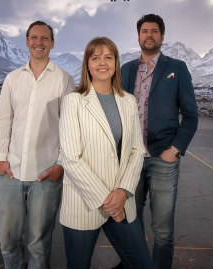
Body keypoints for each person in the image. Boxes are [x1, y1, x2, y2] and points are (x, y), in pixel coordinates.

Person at [59, 37, 152, 269]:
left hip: (122, 201)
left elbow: (136, 150)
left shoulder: (128, 101)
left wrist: (123, 192)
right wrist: (108, 202)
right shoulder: (73, 101)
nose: (103, 62)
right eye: (96, 57)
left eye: (108, 57)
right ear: (87, 64)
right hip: (83, 204)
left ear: (116, 62)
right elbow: (70, 158)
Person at [0, 20, 75, 269]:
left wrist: (60, 164)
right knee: (7, 241)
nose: (39, 43)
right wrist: (0, 157)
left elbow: (69, 127)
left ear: (52, 43)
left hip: (46, 173)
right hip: (11, 172)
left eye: (44, 38)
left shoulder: (63, 79)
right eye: (34, 38)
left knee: (39, 244)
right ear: (27, 41)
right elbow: (3, 119)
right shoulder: (12, 78)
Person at [121, 14, 199, 268]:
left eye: (154, 31)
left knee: (163, 230)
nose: (149, 35)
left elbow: (190, 115)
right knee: (132, 224)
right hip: (130, 158)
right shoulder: (126, 69)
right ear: (139, 36)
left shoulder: (176, 68)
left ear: (162, 37)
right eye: (145, 31)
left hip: (162, 159)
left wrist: (174, 150)